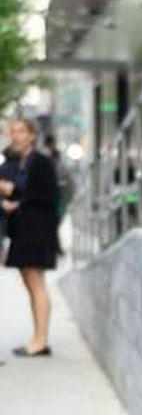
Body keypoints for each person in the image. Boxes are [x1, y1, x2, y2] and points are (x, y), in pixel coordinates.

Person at [0, 119, 61, 357]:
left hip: (37, 231)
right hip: (23, 230)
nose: (16, 136)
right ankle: (37, 338)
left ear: (32, 135)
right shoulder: (18, 162)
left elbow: (44, 196)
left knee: (36, 283)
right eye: (13, 131)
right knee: (30, 283)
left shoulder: (41, 162)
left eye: (21, 131)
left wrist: (13, 195)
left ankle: (41, 340)